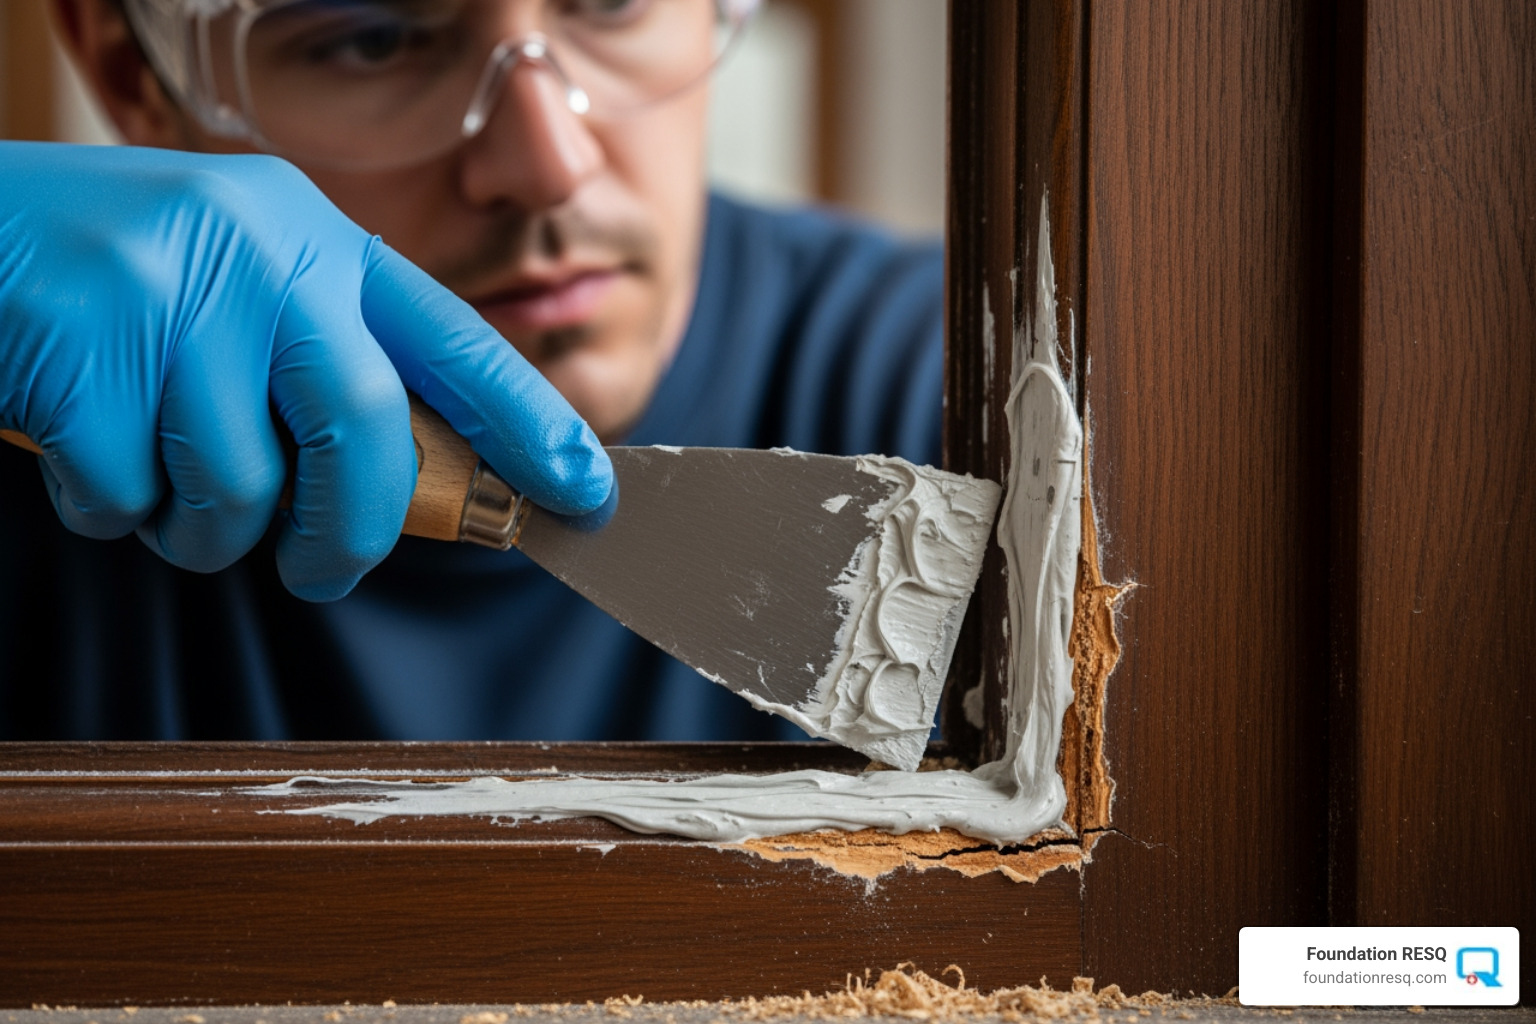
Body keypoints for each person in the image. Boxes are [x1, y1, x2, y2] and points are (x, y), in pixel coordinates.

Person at [0, 0, 944, 741]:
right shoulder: (28, 385)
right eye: (373, 39)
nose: (546, 165)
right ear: (138, 71)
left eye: (612, 1)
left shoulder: (948, 381)